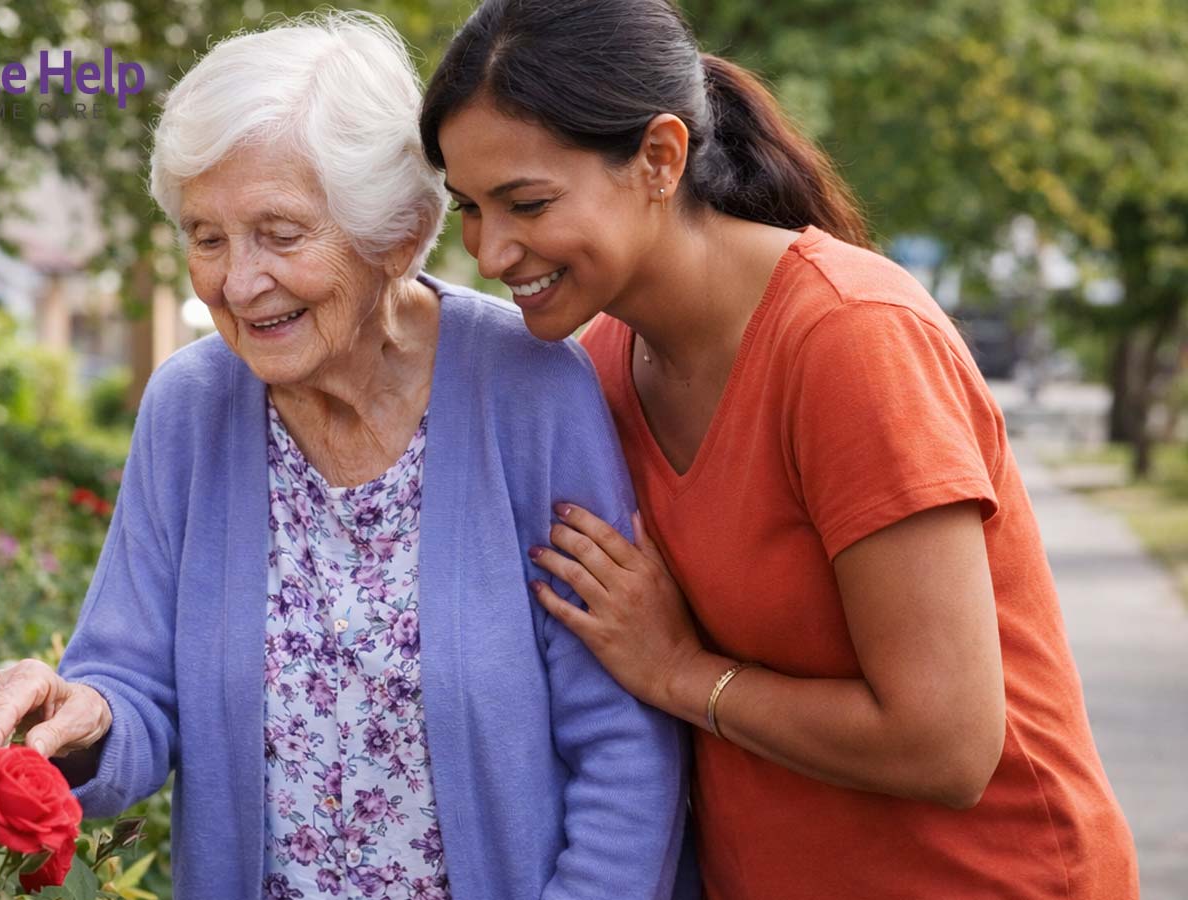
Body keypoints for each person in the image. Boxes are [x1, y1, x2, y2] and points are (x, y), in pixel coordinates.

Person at [0, 12, 691, 900]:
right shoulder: (191, 409)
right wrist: (79, 718)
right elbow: (131, 682)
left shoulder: (530, 392)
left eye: (281, 232)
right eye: (205, 235)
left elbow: (623, 742)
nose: (235, 281)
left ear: (396, 234)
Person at [418, 1, 1139, 898]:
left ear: (659, 158)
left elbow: (947, 742)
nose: (489, 251)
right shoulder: (594, 371)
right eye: (469, 210)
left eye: (526, 203)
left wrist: (682, 672)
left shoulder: (849, 340)